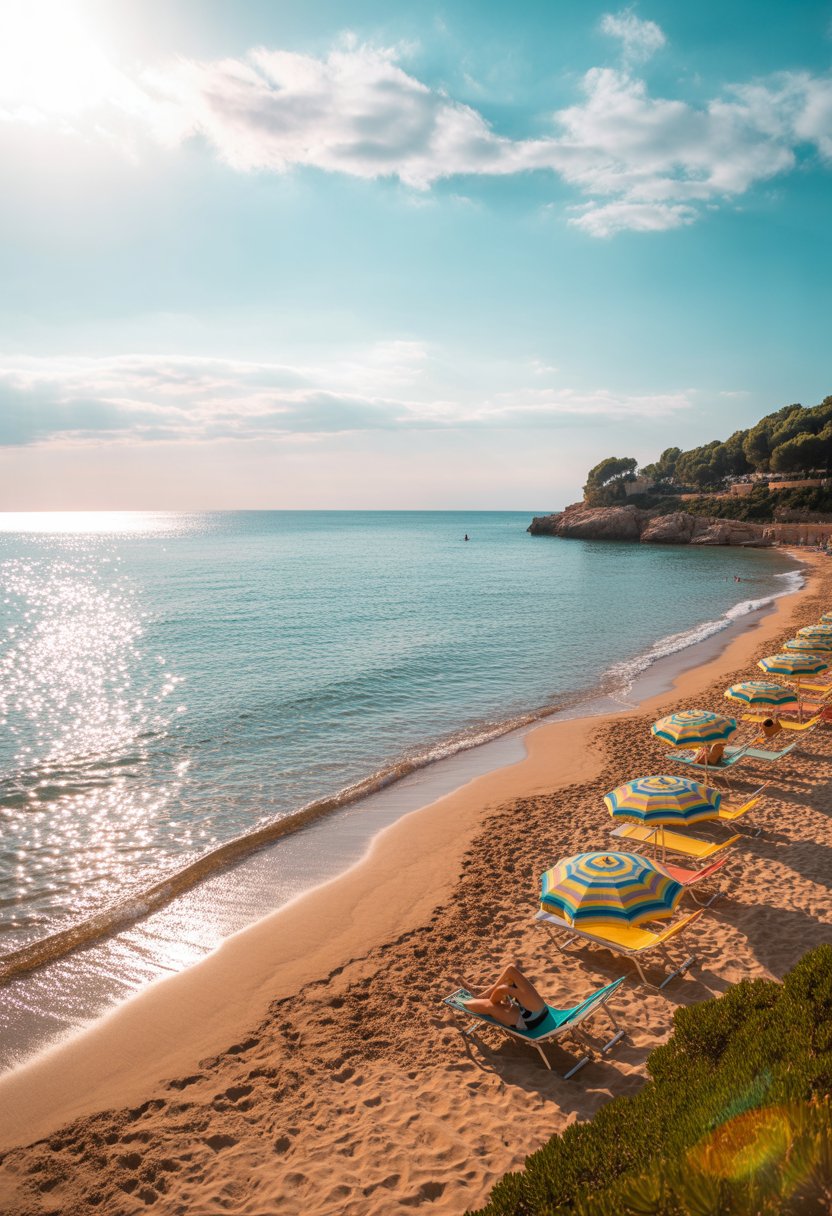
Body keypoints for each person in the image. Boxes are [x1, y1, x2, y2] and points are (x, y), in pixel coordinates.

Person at [462, 963, 548, 1030]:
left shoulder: (505, 989)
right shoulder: (527, 993)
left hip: (529, 1021)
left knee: (468, 1003)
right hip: (542, 1010)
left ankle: (486, 994)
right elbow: (510, 970)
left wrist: (495, 1000)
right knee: (511, 970)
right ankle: (488, 991)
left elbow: (496, 997)